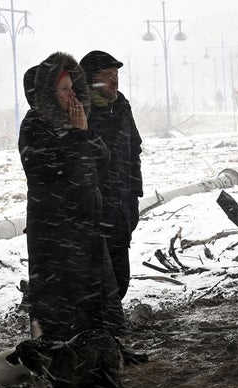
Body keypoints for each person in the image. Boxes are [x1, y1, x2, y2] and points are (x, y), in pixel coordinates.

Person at [18, 51, 125, 340]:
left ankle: (100, 346)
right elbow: (58, 174)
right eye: (64, 89)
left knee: (93, 295)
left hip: (83, 225)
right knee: (62, 305)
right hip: (56, 230)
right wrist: (79, 137)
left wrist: (84, 132)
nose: (72, 94)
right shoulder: (35, 126)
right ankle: (67, 353)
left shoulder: (72, 121)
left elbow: (102, 159)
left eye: (72, 87)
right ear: (48, 94)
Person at [79, 50, 144, 301]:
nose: (114, 81)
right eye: (107, 75)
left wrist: (134, 191)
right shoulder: (80, 110)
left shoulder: (121, 106)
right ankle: (99, 326)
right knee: (94, 271)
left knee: (120, 274)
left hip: (122, 202)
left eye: (115, 75)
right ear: (91, 79)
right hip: (93, 204)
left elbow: (134, 148)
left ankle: (110, 318)